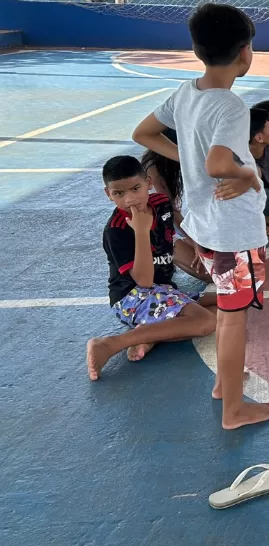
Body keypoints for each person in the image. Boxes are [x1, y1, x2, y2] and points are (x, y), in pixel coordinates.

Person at [132, 3, 269, 430]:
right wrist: (248, 174)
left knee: (230, 309)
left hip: (204, 226)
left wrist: (188, 158)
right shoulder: (231, 106)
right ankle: (233, 409)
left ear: (197, 50)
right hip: (233, 231)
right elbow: (218, 164)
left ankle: (223, 386)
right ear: (245, 51)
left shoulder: (185, 92)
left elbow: (143, 133)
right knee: (234, 318)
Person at [86, 156, 218, 380]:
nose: (129, 199)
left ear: (148, 182)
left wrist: (196, 245)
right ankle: (111, 343)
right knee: (206, 322)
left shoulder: (160, 203)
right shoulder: (116, 230)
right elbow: (144, 281)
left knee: (224, 303)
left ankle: (149, 336)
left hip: (163, 290)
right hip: (131, 297)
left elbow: (174, 230)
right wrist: (141, 231)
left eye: (135, 188)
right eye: (119, 193)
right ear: (108, 194)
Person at [141, 129, 210, 283]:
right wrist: (196, 243)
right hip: (156, 231)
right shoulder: (154, 170)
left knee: (218, 264)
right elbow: (171, 214)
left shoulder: (172, 165)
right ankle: (159, 256)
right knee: (210, 273)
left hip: (173, 225)